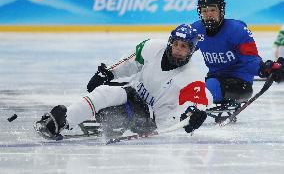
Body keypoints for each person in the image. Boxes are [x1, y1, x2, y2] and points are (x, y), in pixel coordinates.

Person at [34, 24, 209, 140]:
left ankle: (113, 121)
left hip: (154, 121)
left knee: (112, 113)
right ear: (170, 42)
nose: (178, 49)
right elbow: (128, 63)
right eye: (176, 44)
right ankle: (63, 121)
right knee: (103, 92)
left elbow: (198, 102)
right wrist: (109, 73)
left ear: (192, 50)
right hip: (133, 96)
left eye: (184, 46)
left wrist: (194, 116)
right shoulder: (152, 46)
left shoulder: (192, 76)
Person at [190, 0, 284, 121]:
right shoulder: (196, 30)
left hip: (240, 84)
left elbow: (250, 59)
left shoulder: (237, 30)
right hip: (214, 80)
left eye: (212, 10)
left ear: (221, 10)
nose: (208, 14)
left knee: (208, 88)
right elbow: (181, 52)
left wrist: (266, 68)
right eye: (204, 11)